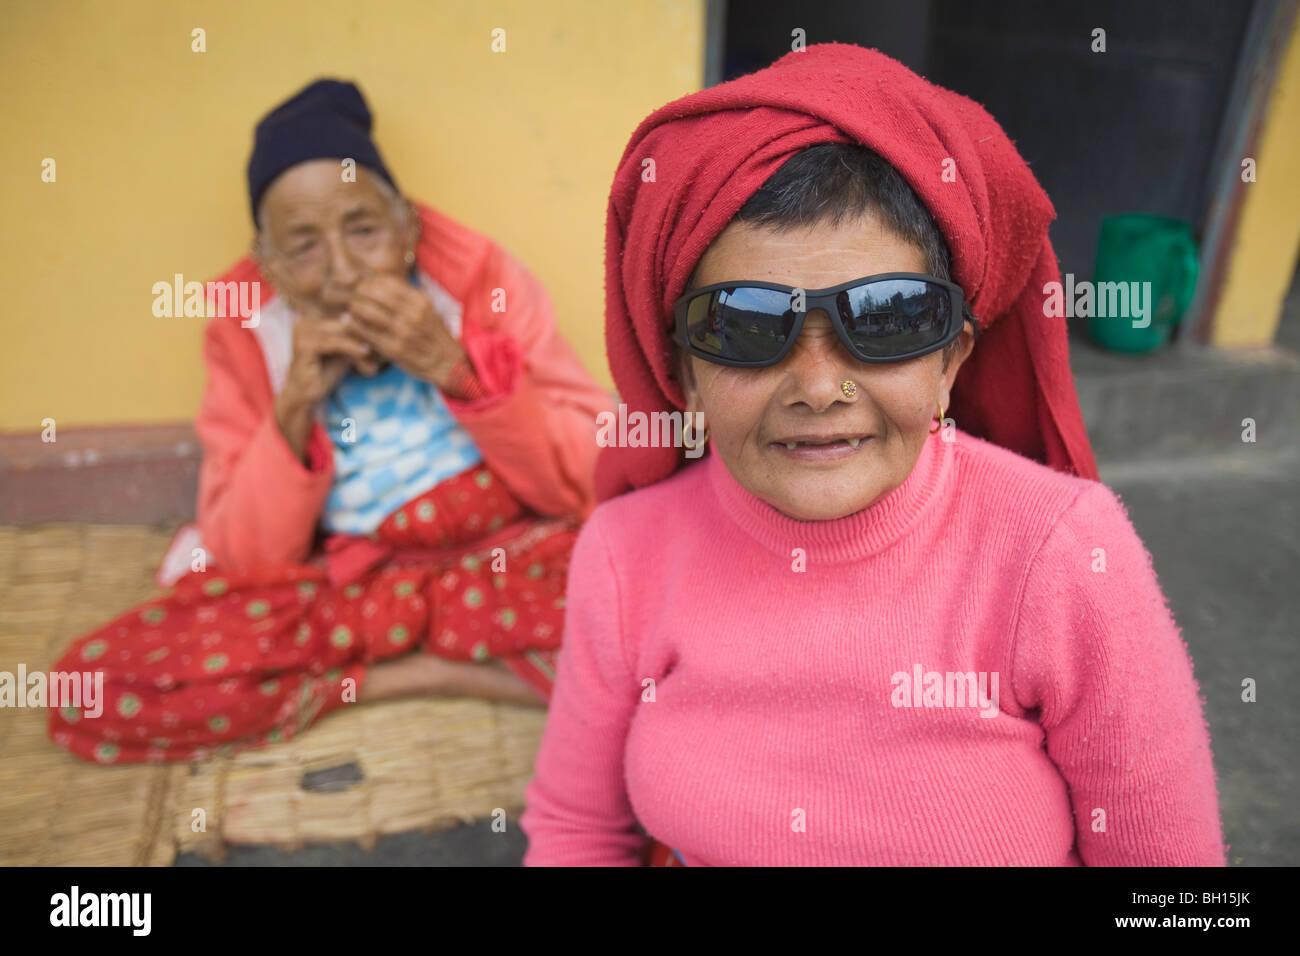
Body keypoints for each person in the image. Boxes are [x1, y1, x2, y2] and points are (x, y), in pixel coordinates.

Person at [520, 44, 1226, 866]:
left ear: (951, 360)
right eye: (746, 326)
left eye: (886, 319)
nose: (819, 387)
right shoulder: (624, 557)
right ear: (679, 371)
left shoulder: (1064, 553)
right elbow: (577, 834)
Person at [47, 79, 612, 764]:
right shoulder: (248, 333)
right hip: (353, 584)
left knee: (661, 624)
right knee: (93, 686)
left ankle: (417, 666)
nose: (342, 272)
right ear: (272, 269)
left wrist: (459, 371)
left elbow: (589, 479)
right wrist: (294, 409)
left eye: (365, 230)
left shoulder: (477, 282)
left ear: (407, 229)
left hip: (515, 555)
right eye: (305, 247)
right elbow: (249, 560)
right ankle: (433, 671)